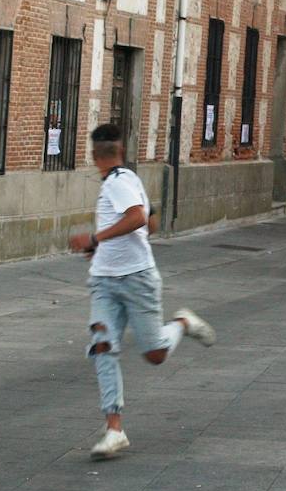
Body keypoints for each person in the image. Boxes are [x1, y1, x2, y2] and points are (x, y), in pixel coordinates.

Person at [70, 124, 216, 460]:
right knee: (103, 345)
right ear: (121, 151)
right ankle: (114, 430)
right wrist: (105, 249)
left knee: (155, 353)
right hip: (104, 280)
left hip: (137, 279)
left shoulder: (118, 182)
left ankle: (182, 323)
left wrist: (95, 239)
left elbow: (137, 218)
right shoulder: (128, 180)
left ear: (93, 156)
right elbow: (150, 223)